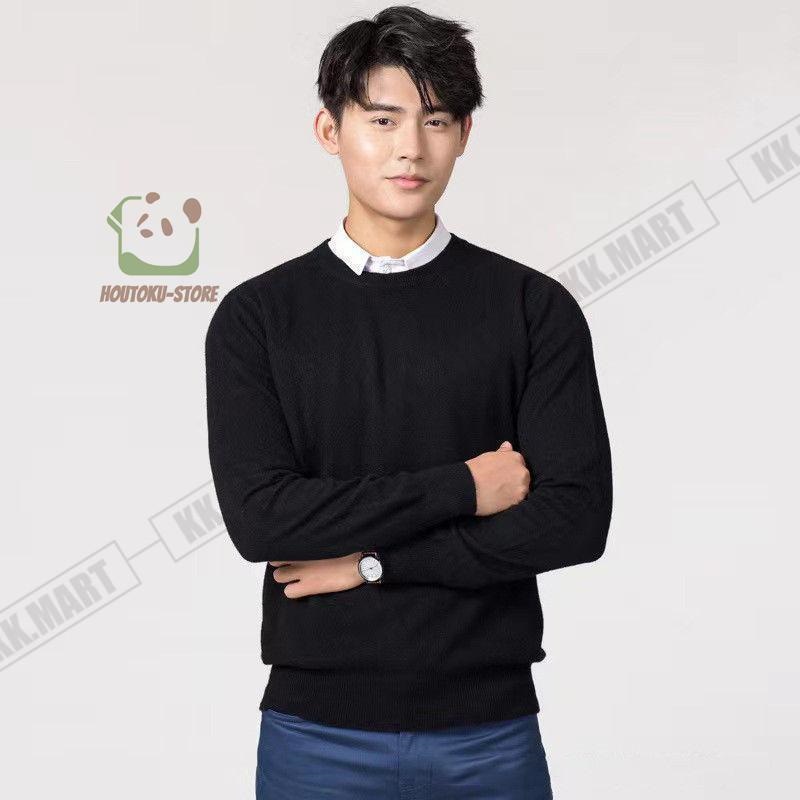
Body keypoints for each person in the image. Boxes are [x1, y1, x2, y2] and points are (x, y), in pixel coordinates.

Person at [204, 6, 613, 798]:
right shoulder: (259, 318)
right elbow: (262, 519)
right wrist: (464, 487)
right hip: (316, 734)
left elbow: (574, 519)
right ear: (330, 130)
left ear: (464, 133)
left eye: (436, 120)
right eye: (383, 119)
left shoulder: (532, 309)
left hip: (489, 732)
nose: (410, 148)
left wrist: (370, 565)